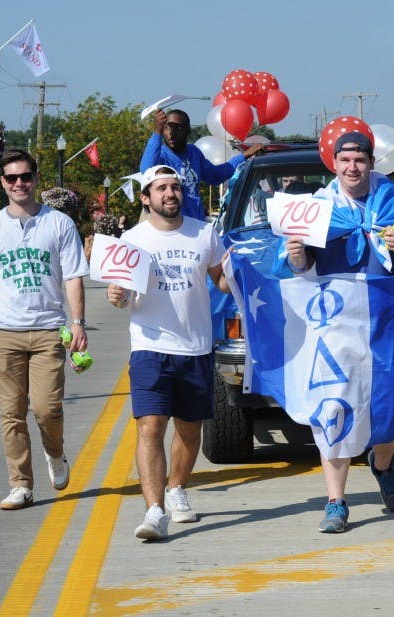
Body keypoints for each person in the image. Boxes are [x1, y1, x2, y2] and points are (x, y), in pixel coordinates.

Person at [284, 131, 394, 533]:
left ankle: (382, 466)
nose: (353, 168)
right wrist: (297, 256)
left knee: (386, 411)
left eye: (360, 161)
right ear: (334, 163)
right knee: (332, 408)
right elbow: (297, 268)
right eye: (345, 160)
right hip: (333, 323)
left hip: (384, 323)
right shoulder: (318, 207)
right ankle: (336, 502)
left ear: (371, 163)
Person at [106, 165, 231, 541]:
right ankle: (154, 510)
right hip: (149, 346)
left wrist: (242, 277)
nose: (170, 194)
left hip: (194, 347)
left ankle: (177, 488)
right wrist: (117, 295)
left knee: (190, 430)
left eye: (175, 187)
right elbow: (122, 292)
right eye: (161, 189)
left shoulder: (205, 233)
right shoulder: (132, 238)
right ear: (147, 198)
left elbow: (222, 281)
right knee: (151, 427)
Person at [0, 149, 88, 510]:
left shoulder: (58, 223)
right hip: (4, 332)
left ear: (36, 178)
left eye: (25, 176)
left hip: (48, 330)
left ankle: (56, 453)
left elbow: (74, 275)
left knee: (47, 409)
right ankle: (21, 484)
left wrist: (76, 322)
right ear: (3, 182)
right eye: (12, 178)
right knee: (11, 413)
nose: (19, 183)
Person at [139, 108, 264, 220]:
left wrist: (244, 156)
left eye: (178, 128)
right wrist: (157, 133)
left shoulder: (194, 152)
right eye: (167, 127)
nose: (172, 133)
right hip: (170, 226)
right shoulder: (160, 154)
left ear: (188, 130)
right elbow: (146, 169)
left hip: (195, 224)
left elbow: (215, 176)